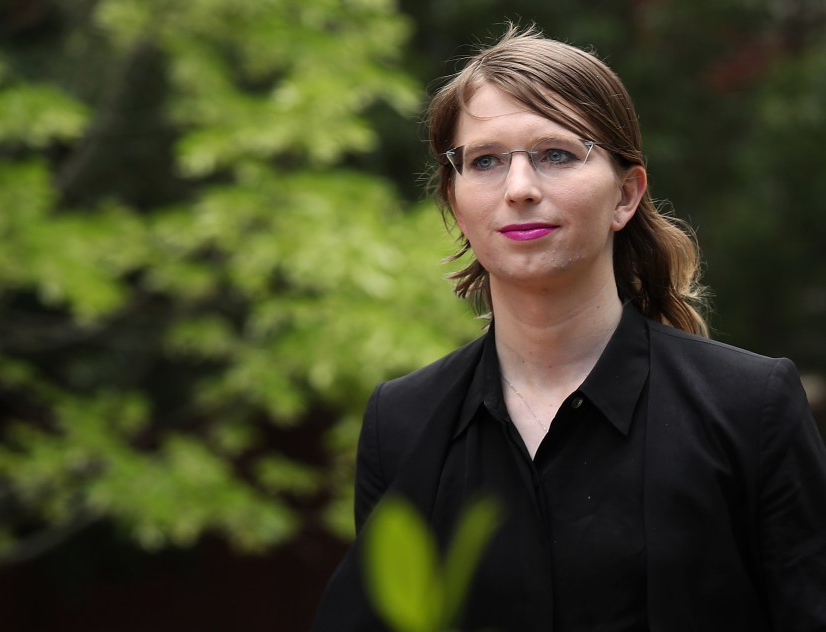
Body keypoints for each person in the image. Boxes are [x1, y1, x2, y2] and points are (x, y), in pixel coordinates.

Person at [313, 25, 826, 631]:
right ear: (455, 201)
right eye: (485, 161)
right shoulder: (401, 424)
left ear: (626, 195)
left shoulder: (750, 408)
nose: (520, 188)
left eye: (556, 154)